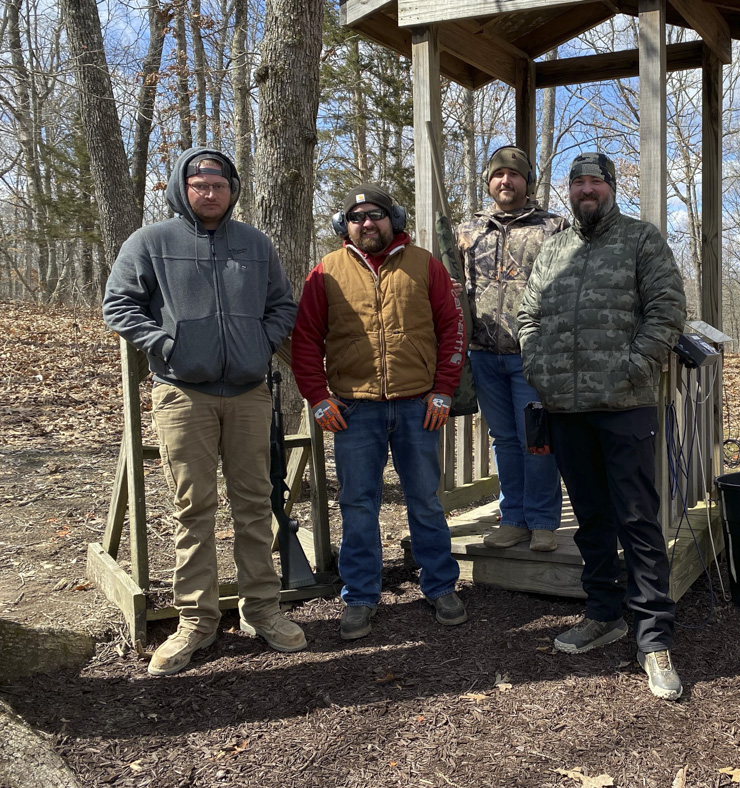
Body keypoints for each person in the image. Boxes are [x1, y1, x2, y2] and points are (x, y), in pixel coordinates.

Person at [102, 147, 306, 676]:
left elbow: (282, 305)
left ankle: (262, 610)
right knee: (193, 508)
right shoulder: (151, 242)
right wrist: (166, 344)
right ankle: (195, 620)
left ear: (232, 190)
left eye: (219, 184)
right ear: (182, 188)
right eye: (200, 184)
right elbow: (118, 303)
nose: (210, 192)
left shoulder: (255, 244)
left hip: (248, 393)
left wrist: (260, 343)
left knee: (255, 504)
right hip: (182, 394)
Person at [517, 152, 687, 701]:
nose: (585, 190)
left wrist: (633, 366)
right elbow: (528, 316)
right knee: (591, 519)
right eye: (577, 183)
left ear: (610, 187)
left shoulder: (641, 239)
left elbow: (667, 310)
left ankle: (653, 637)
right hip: (566, 408)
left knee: (637, 519)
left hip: (624, 405)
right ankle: (603, 613)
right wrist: (537, 366)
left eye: (594, 181)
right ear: (568, 191)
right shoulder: (555, 247)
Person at [291, 183, 467, 640]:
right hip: (354, 410)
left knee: (425, 500)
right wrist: (318, 396)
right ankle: (360, 595)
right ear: (344, 225)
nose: (366, 223)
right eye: (356, 217)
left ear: (395, 219)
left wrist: (444, 389)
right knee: (357, 504)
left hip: (418, 406)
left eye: (375, 215)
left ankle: (441, 585)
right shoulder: (326, 271)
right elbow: (305, 339)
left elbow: (452, 327)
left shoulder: (424, 264)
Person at [456, 146, 567, 552]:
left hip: (531, 355)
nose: (506, 180)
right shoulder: (468, 232)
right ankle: (514, 518)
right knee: (503, 440)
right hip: (483, 353)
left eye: (514, 174)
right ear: (489, 181)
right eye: (498, 174)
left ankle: (542, 521)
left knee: (536, 440)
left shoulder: (554, 228)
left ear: (527, 182)